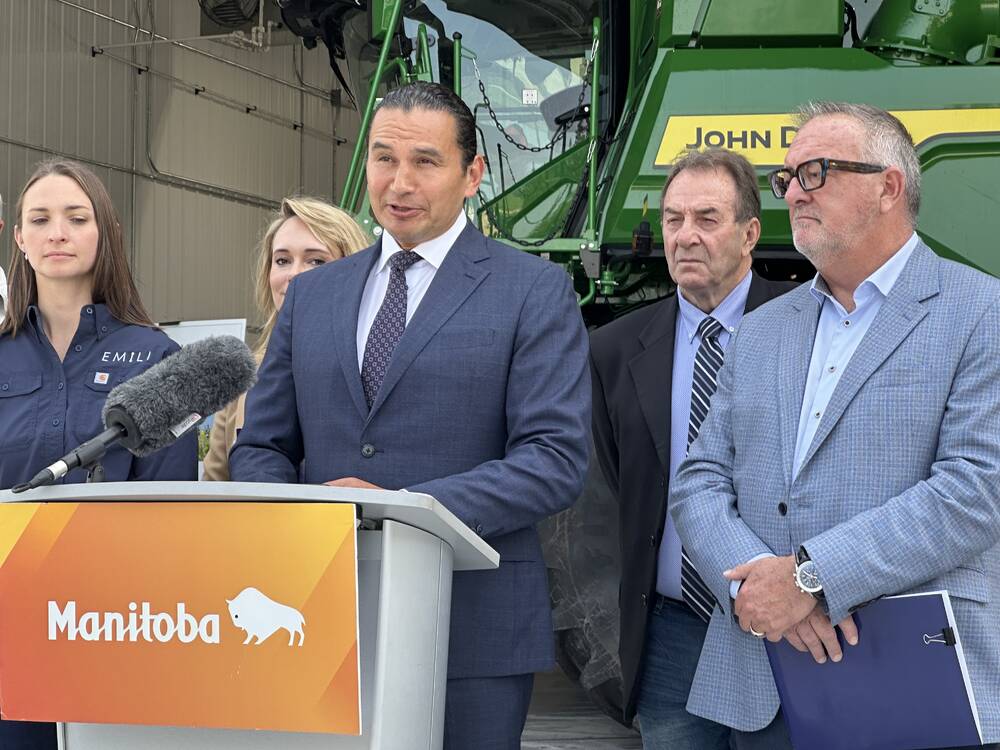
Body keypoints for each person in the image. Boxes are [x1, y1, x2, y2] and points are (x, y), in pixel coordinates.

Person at [230, 81, 590, 748]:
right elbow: (262, 447)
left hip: (471, 632)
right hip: (319, 617)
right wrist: (298, 524)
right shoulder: (313, 297)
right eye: (383, 158)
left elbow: (554, 461)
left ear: (472, 173)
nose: (400, 181)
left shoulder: (533, 292)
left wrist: (401, 508)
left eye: (425, 160)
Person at [670, 102, 1000, 749]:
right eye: (787, 177)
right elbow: (700, 479)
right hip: (766, 681)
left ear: (889, 186)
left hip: (914, 681)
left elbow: (976, 489)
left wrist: (811, 580)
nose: (793, 192)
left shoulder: (980, 311)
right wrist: (761, 589)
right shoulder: (763, 329)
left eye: (816, 172)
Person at [590, 149, 794, 747]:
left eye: (706, 218)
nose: (685, 236)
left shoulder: (806, 328)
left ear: (750, 232)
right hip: (671, 632)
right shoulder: (615, 349)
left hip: (782, 626)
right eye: (674, 220)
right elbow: (623, 471)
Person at [0, 161, 197, 746]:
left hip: (110, 627)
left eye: (75, 218)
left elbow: (169, 510)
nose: (57, 232)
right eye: (40, 219)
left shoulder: (160, 358)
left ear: (103, 232)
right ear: (20, 240)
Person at [201, 197, 368, 481]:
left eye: (316, 260)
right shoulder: (245, 374)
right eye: (282, 260)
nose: (294, 275)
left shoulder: (372, 366)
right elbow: (217, 486)